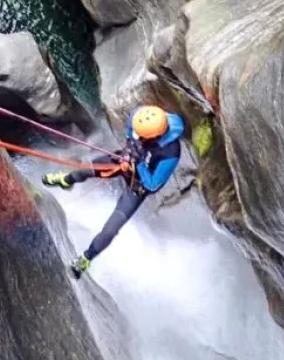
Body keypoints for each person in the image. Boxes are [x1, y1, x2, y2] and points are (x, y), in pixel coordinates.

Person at [41, 105, 185, 279]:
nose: (139, 136)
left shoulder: (171, 152)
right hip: (128, 160)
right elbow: (132, 126)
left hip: (138, 186)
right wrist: (130, 147)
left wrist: (137, 162)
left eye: (143, 137)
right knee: (87, 169)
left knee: (110, 229)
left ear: (155, 136)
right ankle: (67, 181)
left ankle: (86, 258)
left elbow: (153, 185)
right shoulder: (143, 117)